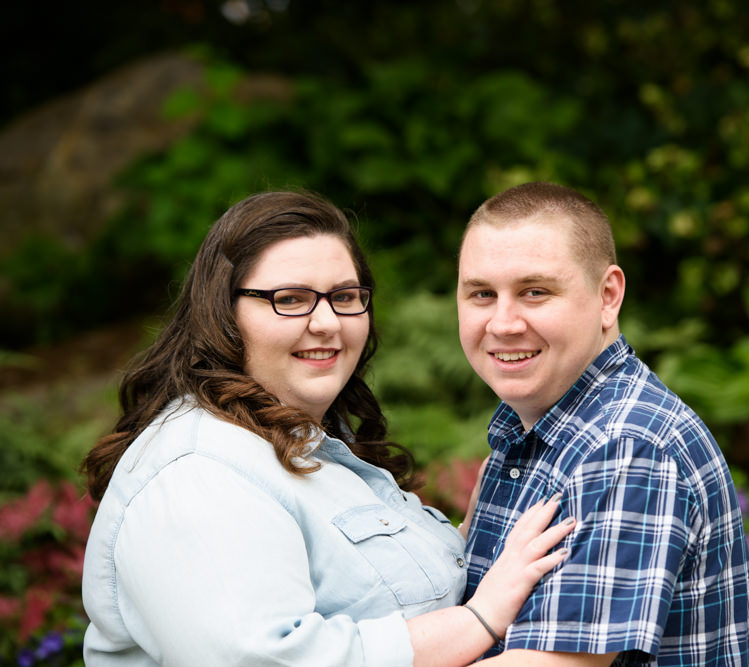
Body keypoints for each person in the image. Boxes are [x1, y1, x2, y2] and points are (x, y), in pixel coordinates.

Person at [80, 190, 576, 666]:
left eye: (344, 296)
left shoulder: (311, 445)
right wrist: (479, 619)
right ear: (222, 314)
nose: (326, 322)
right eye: (290, 299)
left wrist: (485, 526)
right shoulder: (199, 473)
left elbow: (382, 592)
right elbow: (260, 660)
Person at [456, 182, 749, 666]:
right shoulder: (539, 430)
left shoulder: (627, 445)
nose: (502, 322)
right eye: (481, 293)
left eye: (534, 291)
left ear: (608, 295)